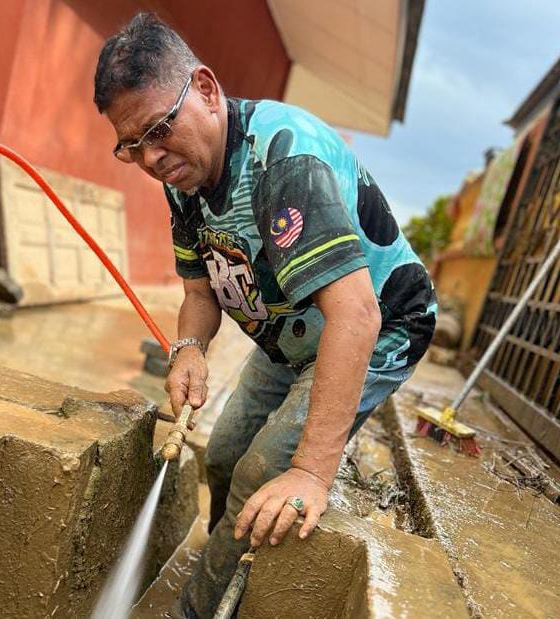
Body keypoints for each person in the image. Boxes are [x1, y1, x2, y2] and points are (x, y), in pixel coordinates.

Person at [94, 13, 436, 618]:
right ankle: (234, 551)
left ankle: (202, 608)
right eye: (132, 146)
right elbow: (201, 293)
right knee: (224, 455)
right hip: (292, 333)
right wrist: (190, 350)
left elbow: (356, 315)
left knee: (265, 470)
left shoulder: (284, 161)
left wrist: (310, 473)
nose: (150, 157)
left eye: (159, 131)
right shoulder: (183, 174)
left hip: (379, 325)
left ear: (204, 89)